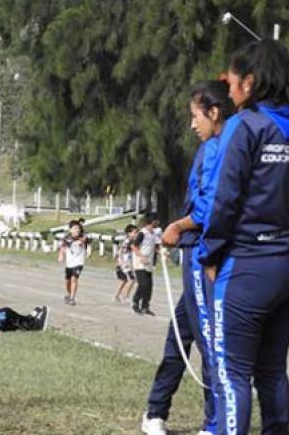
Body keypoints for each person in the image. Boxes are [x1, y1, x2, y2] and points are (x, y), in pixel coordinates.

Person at [199, 40, 289, 435]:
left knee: (232, 374)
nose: (229, 90)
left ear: (252, 81)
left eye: (234, 80)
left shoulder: (247, 125)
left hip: (247, 266)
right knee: (272, 370)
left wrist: (211, 253)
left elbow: (226, 200)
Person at [141, 80, 235, 435]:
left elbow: (211, 207)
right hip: (193, 255)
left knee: (209, 338)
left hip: (202, 254)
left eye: (196, 116)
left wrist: (177, 227)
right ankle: (155, 411)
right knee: (179, 336)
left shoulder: (221, 146)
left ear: (214, 112)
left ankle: (213, 423)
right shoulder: (207, 147)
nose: (192, 125)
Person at [132, 215, 157, 316]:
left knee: (149, 287)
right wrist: (141, 257)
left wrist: (161, 252)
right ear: (148, 224)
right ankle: (136, 302)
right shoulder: (142, 233)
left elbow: (154, 247)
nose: (154, 226)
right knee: (143, 284)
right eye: (153, 224)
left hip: (149, 263)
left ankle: (145, 306)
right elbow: (134, 246)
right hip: (140, 264)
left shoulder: (153, 234)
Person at [58, 220, 87, 305]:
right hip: (69, 263)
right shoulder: (66, 238)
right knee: (68, 281)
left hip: (79, 262)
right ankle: (69, 294)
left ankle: (72, 298)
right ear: (70, 230)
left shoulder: (83, 236)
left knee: (75, 278)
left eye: (78, 228)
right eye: (74, 228)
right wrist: (61, 255)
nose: (77, 230)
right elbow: (62, 247)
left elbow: (83, 241)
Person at [114, 224, 138, 303]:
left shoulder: (130, 241)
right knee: (132, 279)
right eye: (134, 232)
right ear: (129, 233)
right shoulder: (128, 241)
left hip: (126, 263)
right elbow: (120, 251)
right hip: (124, 264)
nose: (136, 234)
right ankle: (125, 296)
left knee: (124, 280)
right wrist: (122, 262)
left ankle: (116, 296)